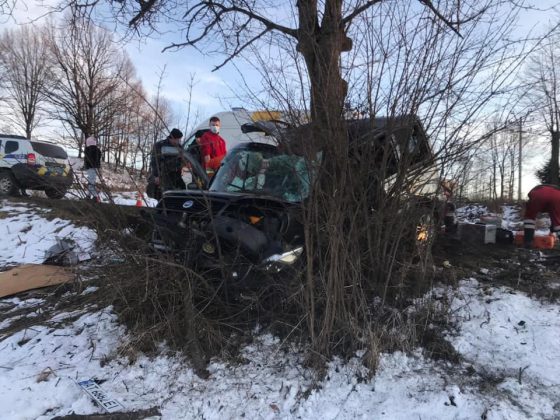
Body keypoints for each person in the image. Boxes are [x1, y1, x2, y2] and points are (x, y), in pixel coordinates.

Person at [149, 128, 186, 197]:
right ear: (172, 138)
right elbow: (154, 161)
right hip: (163, 175)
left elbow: (182, 161)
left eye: (179, 139)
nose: (178, 141)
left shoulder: (179, 147)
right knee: (164, 194)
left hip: (176, 175)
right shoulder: (160, 145)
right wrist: (156, 175)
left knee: (182, 190)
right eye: (177, 139)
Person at [83, 136, 102, 200]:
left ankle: (95, 196)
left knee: (91, 182)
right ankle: (88, 195)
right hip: (91, 167)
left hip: (91, 167)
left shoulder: (91, 149)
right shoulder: (96, 150)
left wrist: (87, 165)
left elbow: (90, 159)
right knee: (90, 182)